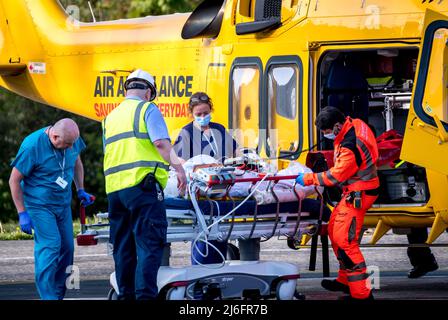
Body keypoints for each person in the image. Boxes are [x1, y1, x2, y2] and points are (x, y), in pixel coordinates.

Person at [102, 69, 187, 300]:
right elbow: (160, 143)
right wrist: (179, 169)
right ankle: (146, 298)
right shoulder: (147, 109)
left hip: (115, 191)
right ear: (149, 92)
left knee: (123, 249)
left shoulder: (110, 118)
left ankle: (125, 297)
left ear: (127, 89)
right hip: (142, 187)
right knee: (149, 246)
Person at [296, 106, 379, 300]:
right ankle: (345, 281)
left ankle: (362, 294)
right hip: (357, 189)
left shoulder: (350, 144)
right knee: (334, 230)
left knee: (345, 242)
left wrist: (308, 179)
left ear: (337, 125)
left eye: (326, 132)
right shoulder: (354, 124)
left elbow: (335, 176)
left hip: (360, 192)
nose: (326, 136)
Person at [9, 119, 94, 300]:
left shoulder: (71, 138)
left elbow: (77, 162)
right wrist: (22, 213)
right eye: (67, 145)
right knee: (50, 246)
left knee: (67, 247)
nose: (71, 148)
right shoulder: (32, 146)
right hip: (39, 205)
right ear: (55, 137)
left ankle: (57, 294)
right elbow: (14, 180)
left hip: (62, 204)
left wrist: (80, 189)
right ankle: (48, 296)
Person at [173, 92, 238, 265]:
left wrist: (246, 158)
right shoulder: (186, 133)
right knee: (203, 232)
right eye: (199, 114)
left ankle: (219, 271)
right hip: (200, 190)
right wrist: (197, 168)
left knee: (220, 231)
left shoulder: (219, 129)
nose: (203, 117)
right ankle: (201, 272)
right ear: (191, 114)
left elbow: (235, 151)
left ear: (211, 110)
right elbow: (179, 161)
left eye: (206, 113)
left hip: (222, 189)